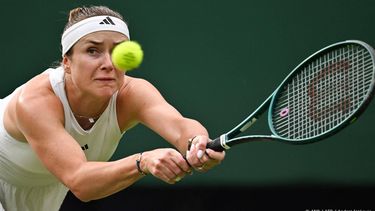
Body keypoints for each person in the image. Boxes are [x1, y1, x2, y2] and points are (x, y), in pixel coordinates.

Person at [0, 5, 225, 211]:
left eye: (118, 52)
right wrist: (142, 161)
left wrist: (196, 144)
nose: (108, 64)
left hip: (43, 190)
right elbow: (81, 182)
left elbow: (180, 126)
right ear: (67, 62)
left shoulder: (133, 94)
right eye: (92, 51)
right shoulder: (35, 102)